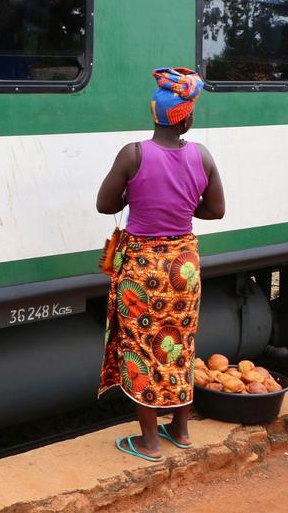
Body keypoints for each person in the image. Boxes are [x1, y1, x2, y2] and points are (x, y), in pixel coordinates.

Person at [96, 67, 225, 463]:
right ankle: (181, 432)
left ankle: (150, 442)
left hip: (143, 269)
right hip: (183, 267)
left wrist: (134, 198)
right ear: (185, 120)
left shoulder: (133, 154)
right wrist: (182, 207)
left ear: (156, 116)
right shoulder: (202, 156)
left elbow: (104, 204)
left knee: (142, 348)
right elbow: (215, 210)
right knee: (179, 345)